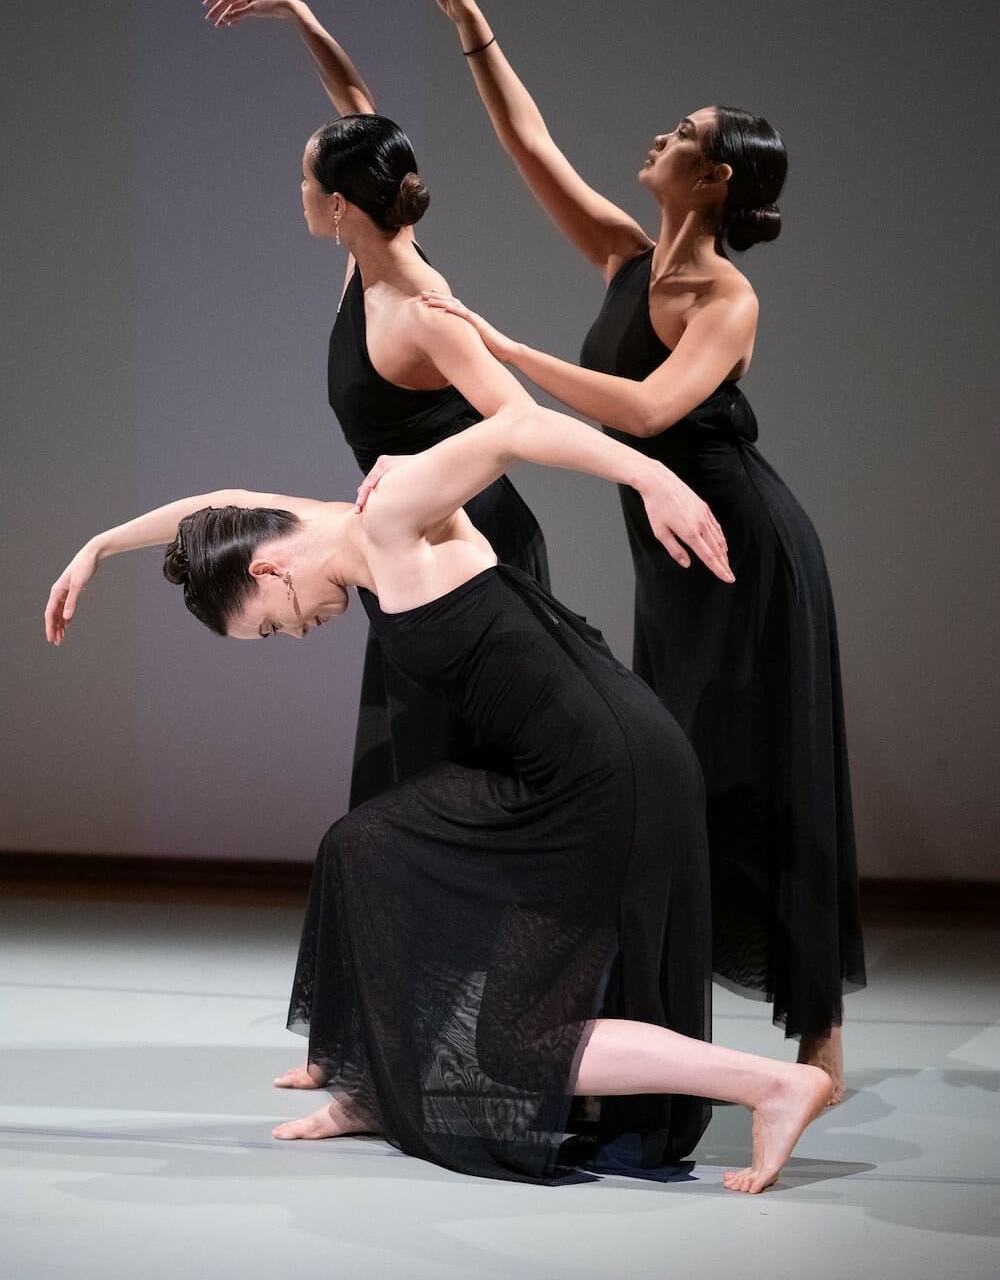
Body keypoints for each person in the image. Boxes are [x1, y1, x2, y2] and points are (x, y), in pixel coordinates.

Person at [45, 400, 833, 1190]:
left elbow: (518, 427)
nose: (298, 634)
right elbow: (213, 509)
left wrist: (651, 474)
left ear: (269, 569)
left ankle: (772, 1085)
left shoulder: (386, 517)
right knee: (365, 843)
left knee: (518, 1041)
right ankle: (378, 1087)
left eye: (273, 626)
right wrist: (101, 546)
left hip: (608, 767)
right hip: (567, 760)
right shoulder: (320, 526)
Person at [410, 0, 865, 1102]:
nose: (658, 139)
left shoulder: (725, 292)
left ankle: (815, 1040)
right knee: (670, 768)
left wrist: (503, 350)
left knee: (763, 767)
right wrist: (470, 17)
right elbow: (530, 142)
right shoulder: (626, 258)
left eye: (682, 137)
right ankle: (652, 1014)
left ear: (712, 180)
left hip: (740, 551)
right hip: (668, 547)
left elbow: (652, 405)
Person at [201, 0, 549, 809]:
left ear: (341, 205)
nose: (297, 190)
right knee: (414, 776)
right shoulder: (373, 252)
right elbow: (356, 108)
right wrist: (302, 17)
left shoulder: (418, 308)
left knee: (451, 778)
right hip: (410, 541)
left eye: (302, 178)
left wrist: (422, 478)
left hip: (469, 548)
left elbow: (517, 419)